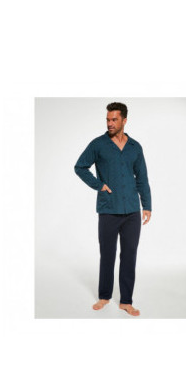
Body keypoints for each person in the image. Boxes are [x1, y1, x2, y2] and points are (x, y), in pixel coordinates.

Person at [74, 102, 152, 316]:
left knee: (129, 256)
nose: (110, 123)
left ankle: (126, 301)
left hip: (132, 212)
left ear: (124, 120)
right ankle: (104, 296)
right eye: (108, 119)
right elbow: (80, 167)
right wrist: (99, 185)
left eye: (114, 119)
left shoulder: (135, 147)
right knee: (107, 255)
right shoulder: (98, 144)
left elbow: (142, 178)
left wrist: (146, 205)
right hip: (108, 209)